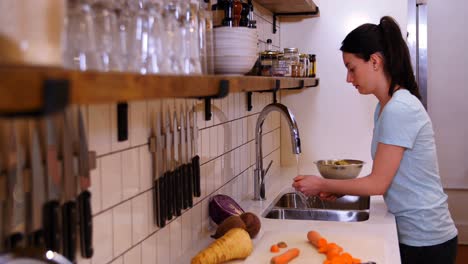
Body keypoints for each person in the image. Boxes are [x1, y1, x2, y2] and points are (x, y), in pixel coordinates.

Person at [292, 16, 458, 264]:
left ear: (375, 61)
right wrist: (334, 189)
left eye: (351, 68)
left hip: (427, 239)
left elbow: (378, 184)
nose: (349, 78)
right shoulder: (385, 107)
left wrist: (323, 184)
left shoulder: (399, 108)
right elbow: (386, 177)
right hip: (415, 232)